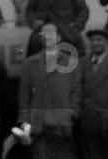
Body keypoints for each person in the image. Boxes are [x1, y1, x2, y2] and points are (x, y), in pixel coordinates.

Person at [16, 23, 80, 159]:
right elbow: (24, 98)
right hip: (38, 125)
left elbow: (76, 90)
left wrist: (72, 112)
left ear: (59, 37)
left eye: (51, 33)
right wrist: (24, 124)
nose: (47, 37)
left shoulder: (70, 62)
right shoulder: (29, 64)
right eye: (43, 34)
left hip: (62, 123)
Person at [78, 29, 108, 159]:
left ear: (107, 43)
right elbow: (76, 89)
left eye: (99, 40)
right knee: (89, 152)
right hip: (86, 117)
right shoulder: (81, 64)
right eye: (92, 40)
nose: (95, 43)